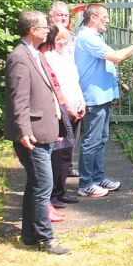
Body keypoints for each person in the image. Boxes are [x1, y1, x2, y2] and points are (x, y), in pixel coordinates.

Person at [4, 10, 70, 255]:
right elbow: (18, 98)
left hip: (44, 129)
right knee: (43, 184)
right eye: (44, 27)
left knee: (35, 184)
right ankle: (46, 238)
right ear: (32, 30)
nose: (48, 30)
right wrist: (23, 130)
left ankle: (30, 235)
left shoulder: (36, 54)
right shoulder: (19, 58)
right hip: (31, 134)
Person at [74, 3, 133, 197]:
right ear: (94, 18)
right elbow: (116, 57)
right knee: (91, 141)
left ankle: (98, 178)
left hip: (102, 96)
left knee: (101, 139)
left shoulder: (94, 37)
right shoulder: (88, 37)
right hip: (93, 98)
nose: (107, 20)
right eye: (104, 17)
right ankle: (85, 183)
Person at [41, 24, 85, 209]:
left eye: (64, 39)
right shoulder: (48, 58)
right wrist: (68, 108)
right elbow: (56, 87)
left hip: (75, 107)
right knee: (58, 154)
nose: (62, 42)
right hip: (61, 110)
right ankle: (53, 194)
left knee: (67, 152)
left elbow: (74, 82)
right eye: (58, 39)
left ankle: (61, 191)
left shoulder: (67, 56)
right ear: (51, 40)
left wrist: (81, 102)